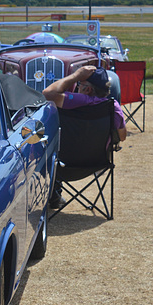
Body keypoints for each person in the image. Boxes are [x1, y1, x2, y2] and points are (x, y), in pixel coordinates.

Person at [42, 65, 127, 208]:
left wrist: (75, 76)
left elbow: (47, 94)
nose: (76, 87)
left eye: (79, 84)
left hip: (63, 165)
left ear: (88, 89)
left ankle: (54, 195)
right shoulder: (113, 107)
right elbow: (122, 136)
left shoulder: (75, 101)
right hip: (97, 162)